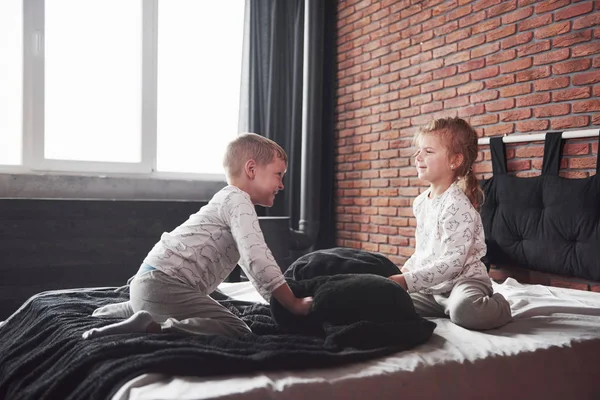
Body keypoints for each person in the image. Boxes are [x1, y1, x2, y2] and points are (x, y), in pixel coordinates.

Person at [82, 132, 313, 339]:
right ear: (251, 169)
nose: (282, 185)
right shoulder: (239, 201)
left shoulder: (225, 199)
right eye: (278, 174)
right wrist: (291, 303)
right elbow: (256, 257)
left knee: (171, 297)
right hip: (163, 285)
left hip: (148, 281)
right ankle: (154, 326)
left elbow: (248, 263)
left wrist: (270, 298)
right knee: (239, 329)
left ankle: (136, 306)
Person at [388, 117, 512, 330]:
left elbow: (453, 263)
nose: (418, 157)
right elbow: (423, 251)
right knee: (387, 302)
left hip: (463, 281)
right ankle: (445, 307)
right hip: (434, 288)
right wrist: (404, 273)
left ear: (454, 161)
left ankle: (499, 305)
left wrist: (406, 281)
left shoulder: (457, 205)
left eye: (428, 151)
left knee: (466, 310)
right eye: (418, 150)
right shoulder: (420, 202)